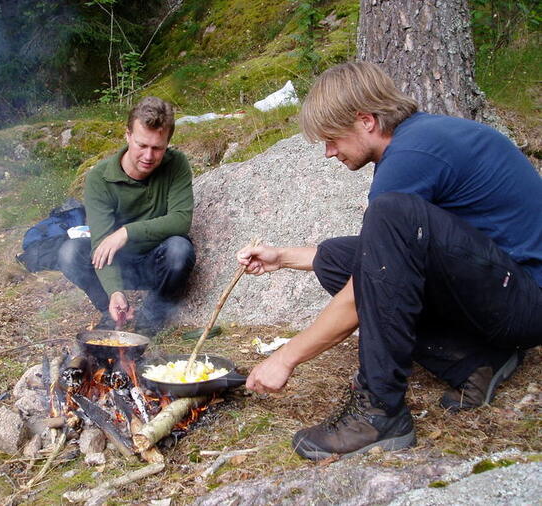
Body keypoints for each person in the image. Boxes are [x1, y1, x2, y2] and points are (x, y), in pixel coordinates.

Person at [236, 62, 542, 461]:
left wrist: (285, 357)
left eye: (332, 139)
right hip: (503, 290)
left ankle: (380, 412)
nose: (329, 152)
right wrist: (283, 257)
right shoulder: (422, 138)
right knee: (336, 258)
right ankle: (477, 359)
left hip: (526, 301)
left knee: (388, 218)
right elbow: (375, 261)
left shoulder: (411, 154)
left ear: (365, 120)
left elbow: (370, 279)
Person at [58, 96, 195, 337]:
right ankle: (111, 310)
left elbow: (181, 220)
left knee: (180, 249)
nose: (149, 156)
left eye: (157, 148)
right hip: (119, 263)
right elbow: (101, 244)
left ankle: (149, 319)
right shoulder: (99, 178)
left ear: (168, 143)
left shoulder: (177, 164)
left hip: (157, 261)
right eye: (142, 145)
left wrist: (126, 232)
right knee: (70, 252)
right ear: (128, 135)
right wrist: (114, 290)